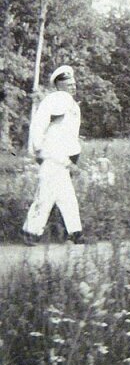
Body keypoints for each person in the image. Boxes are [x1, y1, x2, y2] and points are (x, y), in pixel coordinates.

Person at [21, 65, 87, 245]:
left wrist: (73, 158)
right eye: (68, 84)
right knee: (45, 196)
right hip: (51, 155)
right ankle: (30, 231)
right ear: (59, 85)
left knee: (66, 197)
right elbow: (38, 124)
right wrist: (38, 148)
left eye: (74, 84)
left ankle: (75, 232)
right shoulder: (55, 100)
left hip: (63, 157)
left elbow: (70, 136)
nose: (73, 87)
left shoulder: (72, 105)